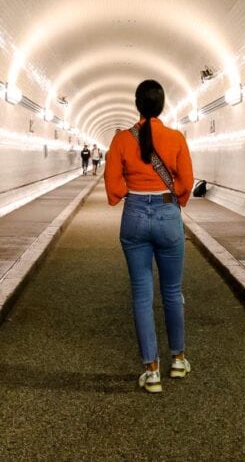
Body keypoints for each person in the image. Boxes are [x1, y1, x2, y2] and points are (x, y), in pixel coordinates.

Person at [104, 79, 194, 394]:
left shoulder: (120, 141)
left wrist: (133, 196)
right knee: (172, 291)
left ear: (137, 104)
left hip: (135, 214)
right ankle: (179, 359)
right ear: (162, 105)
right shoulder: (175, 138)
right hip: (168, 214)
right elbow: (186, 182)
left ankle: (151, 370)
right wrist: (172, 202)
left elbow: (113, 184)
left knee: (142, 295)